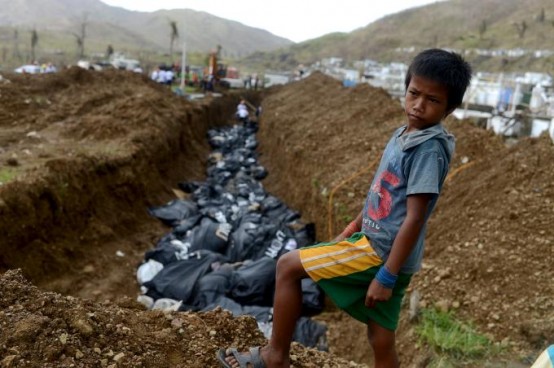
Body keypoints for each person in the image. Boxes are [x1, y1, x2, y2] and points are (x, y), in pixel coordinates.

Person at [217, 48, 472, 368]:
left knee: (287, 266)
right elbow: (382, 196)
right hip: (383, 249)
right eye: (414, 93)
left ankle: (275, 356)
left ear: (451, 106)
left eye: (432, 100)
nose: (418, 104)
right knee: (380, 338)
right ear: (405, 88)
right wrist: (352, 227)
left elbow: (415, 217)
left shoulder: (427, 149)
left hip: (379, 252)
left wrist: (387, 276)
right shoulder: (404, 135)